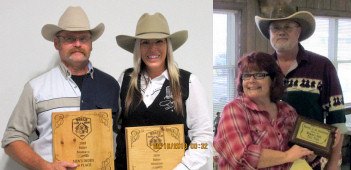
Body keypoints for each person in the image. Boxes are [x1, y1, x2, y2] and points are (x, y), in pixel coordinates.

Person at [1, 6, 119, 169]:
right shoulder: (36, 88)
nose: (78, 44)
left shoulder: (110, 85)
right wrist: (44, 166)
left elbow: (124, 132)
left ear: (91, 44)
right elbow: (11, 139)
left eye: (83, 38)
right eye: (70, 38)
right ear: (57, 43)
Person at [115, 12, 212, 170]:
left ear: (168, 45)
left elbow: (203, 137)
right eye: (145, 42)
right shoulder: (125, 78)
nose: (152, 48)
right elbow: (114, 128)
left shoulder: (189, 82)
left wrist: (184, 167)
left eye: (159, 41)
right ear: (138, 47)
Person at [255, 5, 347, 169]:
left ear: (299, 32)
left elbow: (338, 121)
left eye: (288, 27)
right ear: (269, 34)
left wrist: (333, 162)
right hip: (270, 161)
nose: (281, 32)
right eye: (275, 28)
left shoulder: (322, 66)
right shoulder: (260, 69)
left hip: (311, 161)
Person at [213, 52, 316, 169]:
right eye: (246, 75)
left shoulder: (288, 111)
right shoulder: (234, 110)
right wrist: (286, 156)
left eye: (259, 75)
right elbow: (242, 157)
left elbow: (298, 150)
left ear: (273, 79)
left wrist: (310, 153)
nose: (251, 80)